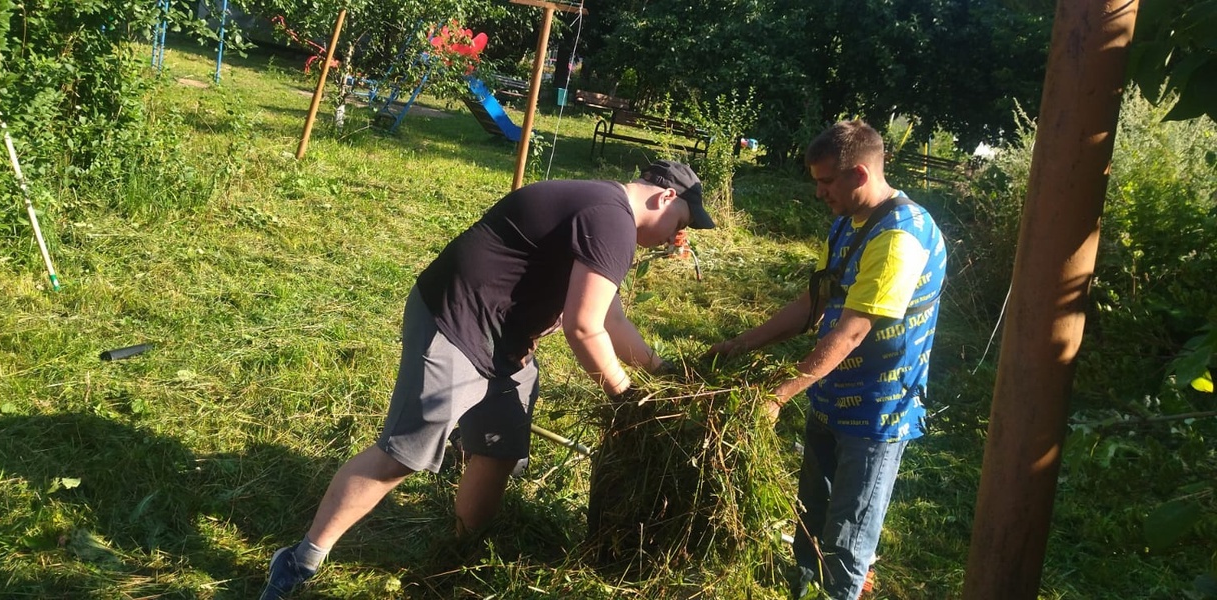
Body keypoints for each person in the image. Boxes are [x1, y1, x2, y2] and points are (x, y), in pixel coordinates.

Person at [261, 160, 716, 599]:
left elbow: (610, 317)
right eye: (682, 221)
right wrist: (629, 396)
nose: (679, 235)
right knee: (404, 453)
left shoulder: (606, 213)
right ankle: (300, 561)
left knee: (499, 449)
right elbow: (584, 328)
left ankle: (460, 556)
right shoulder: (611, 217)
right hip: (457, 320)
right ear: (666, 195)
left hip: (506, 339)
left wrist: (662, 371)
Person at [706, 120, 946, 600]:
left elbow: (853, 331)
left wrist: (778, 395)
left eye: (825, 182)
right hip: (832, 393)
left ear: (859, 174)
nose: (818, 193)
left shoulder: (901, 236)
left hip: (878, 408)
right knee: (809, 514)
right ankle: (802, 585)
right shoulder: (848, 223)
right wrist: (740, 344)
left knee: (849, 533)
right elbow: (813, 304)